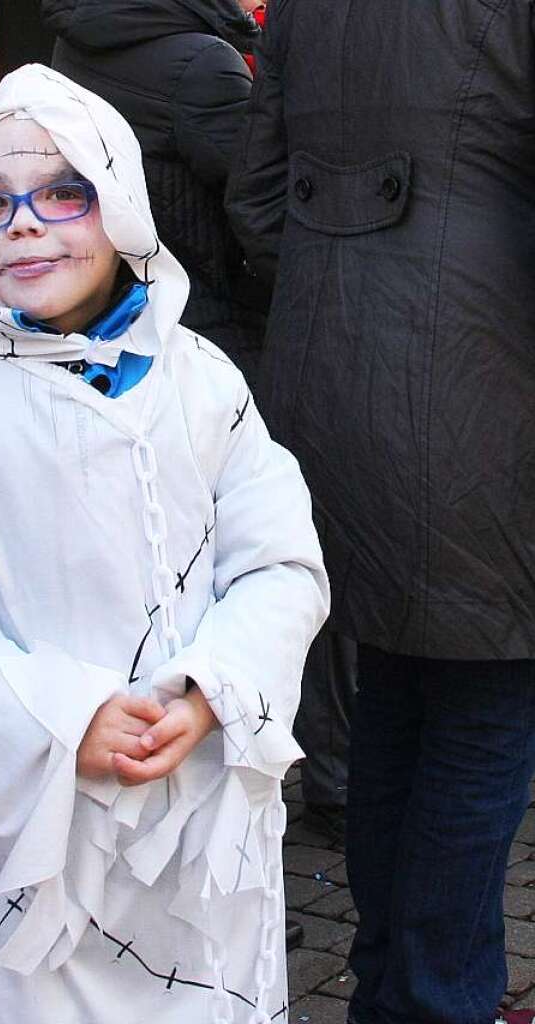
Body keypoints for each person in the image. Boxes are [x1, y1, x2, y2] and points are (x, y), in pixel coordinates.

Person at [0, 64, 328, 1024]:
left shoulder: (201, 381)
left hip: (197, 811)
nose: (24, 223)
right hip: (30, 835)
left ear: (125, 205)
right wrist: (60, 717)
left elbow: (277, 559)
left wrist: (212, 687)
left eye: (65, 192)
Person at [226, 3, 535, 1023]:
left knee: (395, 698)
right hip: (484, 387)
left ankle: (391, 987)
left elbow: (259, 202)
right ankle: (437, 997)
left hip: (329, 388)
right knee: (483, 707)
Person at [40, 0, 267, 390]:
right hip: (214, 333)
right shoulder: (204, 64)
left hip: (116, 327)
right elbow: (268, 206)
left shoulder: (82, 38)